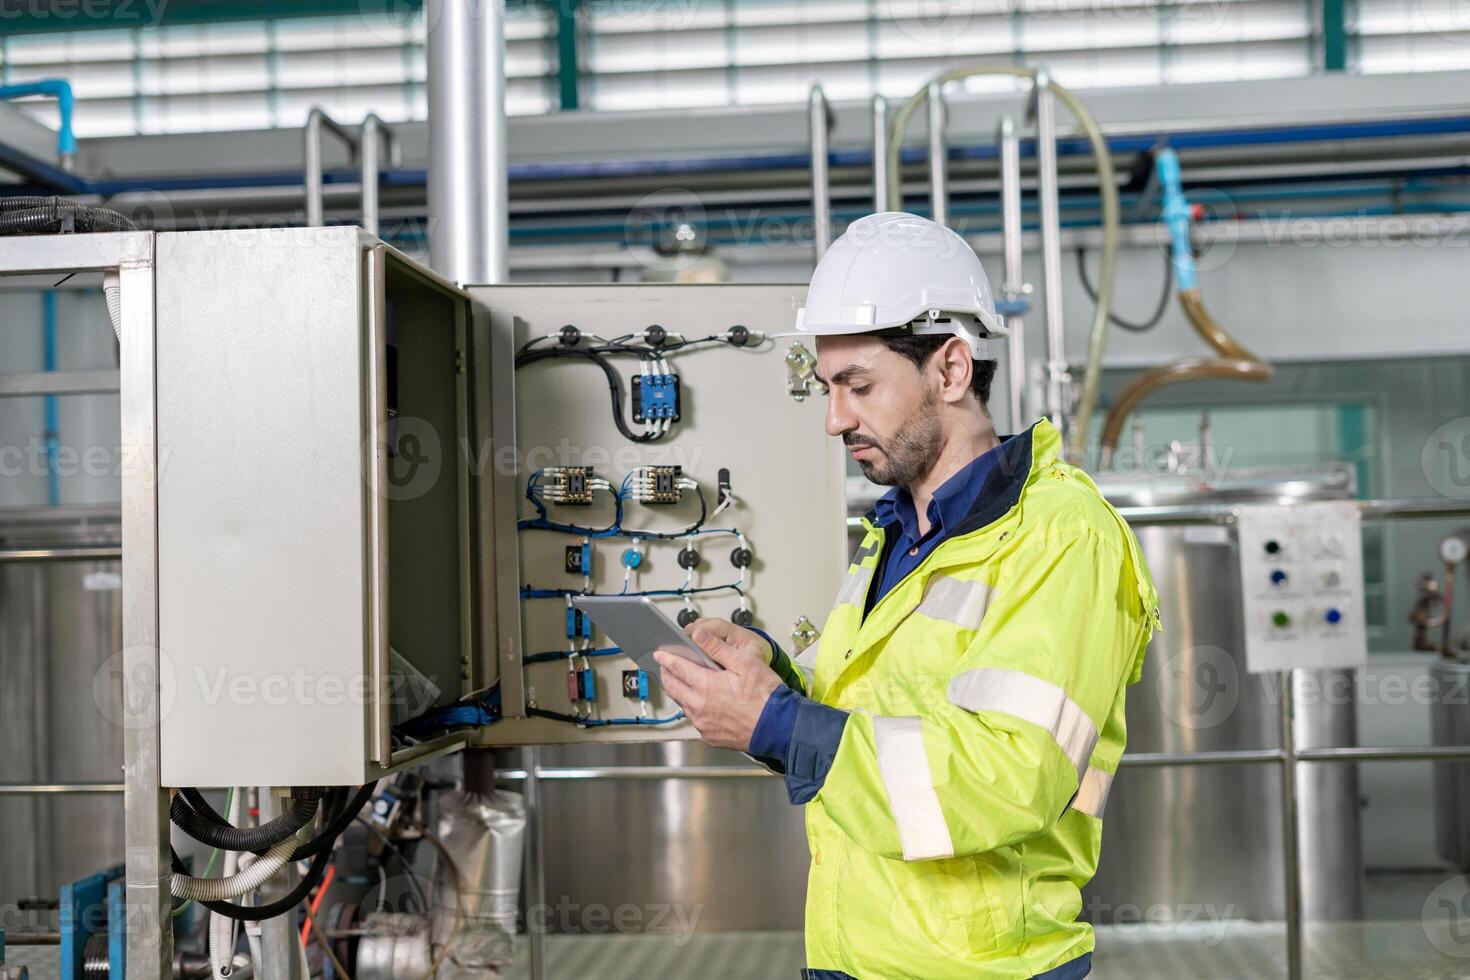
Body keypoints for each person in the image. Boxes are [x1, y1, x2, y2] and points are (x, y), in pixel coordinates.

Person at [654, 212, 1161, 980]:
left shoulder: (1062, 536)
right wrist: (772, 687)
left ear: (951, 371)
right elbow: (870, 730)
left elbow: (1011, 778)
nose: (835, 419)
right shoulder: (893, 534)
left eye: (858, 386)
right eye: (827, 389)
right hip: (853, 958)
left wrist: (778, 724)